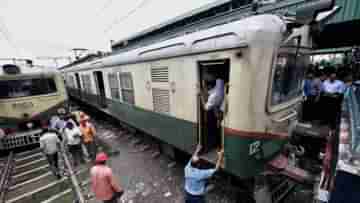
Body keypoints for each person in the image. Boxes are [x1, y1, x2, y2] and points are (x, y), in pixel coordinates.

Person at [200, 78, 225, 150]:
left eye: (204, 85)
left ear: (209, 86)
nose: (204, 87)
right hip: (221, 111)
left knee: (219, 130)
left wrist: (201, 96)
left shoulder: (213, 96)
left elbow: (205, 107)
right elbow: (209, 92)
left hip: (220, 114)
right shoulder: (220, 86)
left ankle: (219, 148)